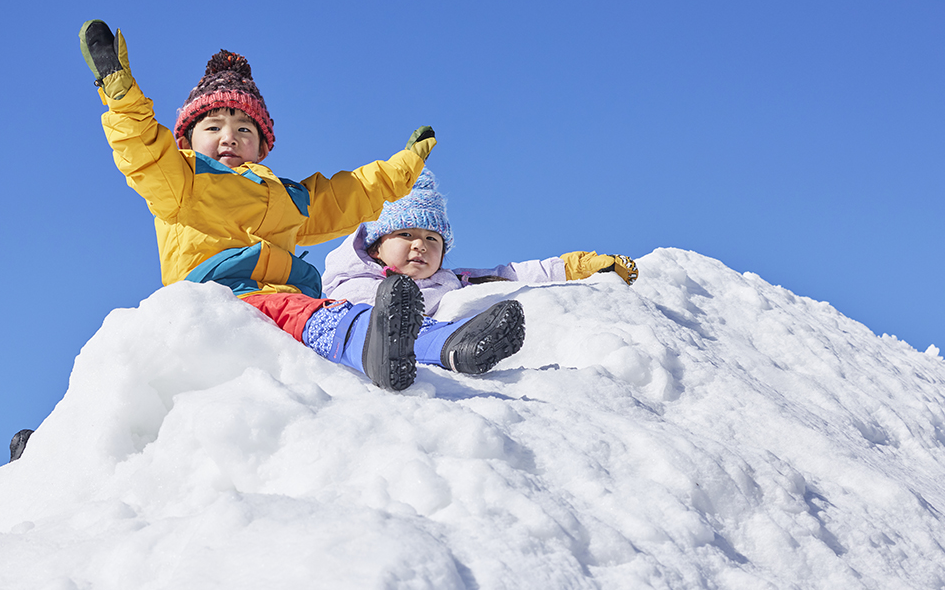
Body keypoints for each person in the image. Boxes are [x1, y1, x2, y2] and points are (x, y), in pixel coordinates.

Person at [79, 20, 458, 391]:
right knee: (316, 315)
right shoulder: (181, 182)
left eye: (244, 129)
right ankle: (374, 350)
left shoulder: (285, 196)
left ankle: (450, 345)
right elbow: (143, 150)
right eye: (213, 127)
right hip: (221, 297)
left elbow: (350, 194)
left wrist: (404, 166)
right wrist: (120, 93)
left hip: (289, 296)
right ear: (187, 141)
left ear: (262, 146)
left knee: (346, 312)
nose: (229, 137)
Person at [315, 170, 638, 374]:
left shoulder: (453, 280)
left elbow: (512, 275)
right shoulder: (353, 279)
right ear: (375, 247)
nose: (420, 245)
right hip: (369, 347)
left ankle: (470, 345)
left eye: (432, 239)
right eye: (406, 235)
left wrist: (573, 267)